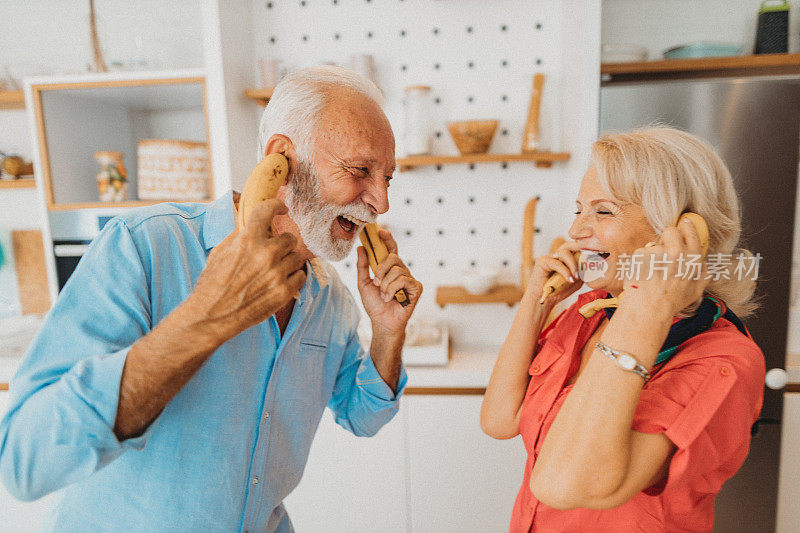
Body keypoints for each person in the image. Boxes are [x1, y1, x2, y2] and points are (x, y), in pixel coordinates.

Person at [0, 66, 422, 532]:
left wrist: (387, 331)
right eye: (360, 170)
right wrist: (208, 317)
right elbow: (25, 460)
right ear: (282, 156)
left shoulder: (331, 298)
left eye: (387, 178)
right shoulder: (143, 247)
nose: (380, 202)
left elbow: (363, 415)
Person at [481, 126, 765, 532]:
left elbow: (564, 484)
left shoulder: (724, 361)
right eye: (578, 209)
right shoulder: (589, 313)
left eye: (604, 211)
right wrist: (536, 301)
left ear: (680, 231)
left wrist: (649, 298)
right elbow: (499, 419)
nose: (577, 231)